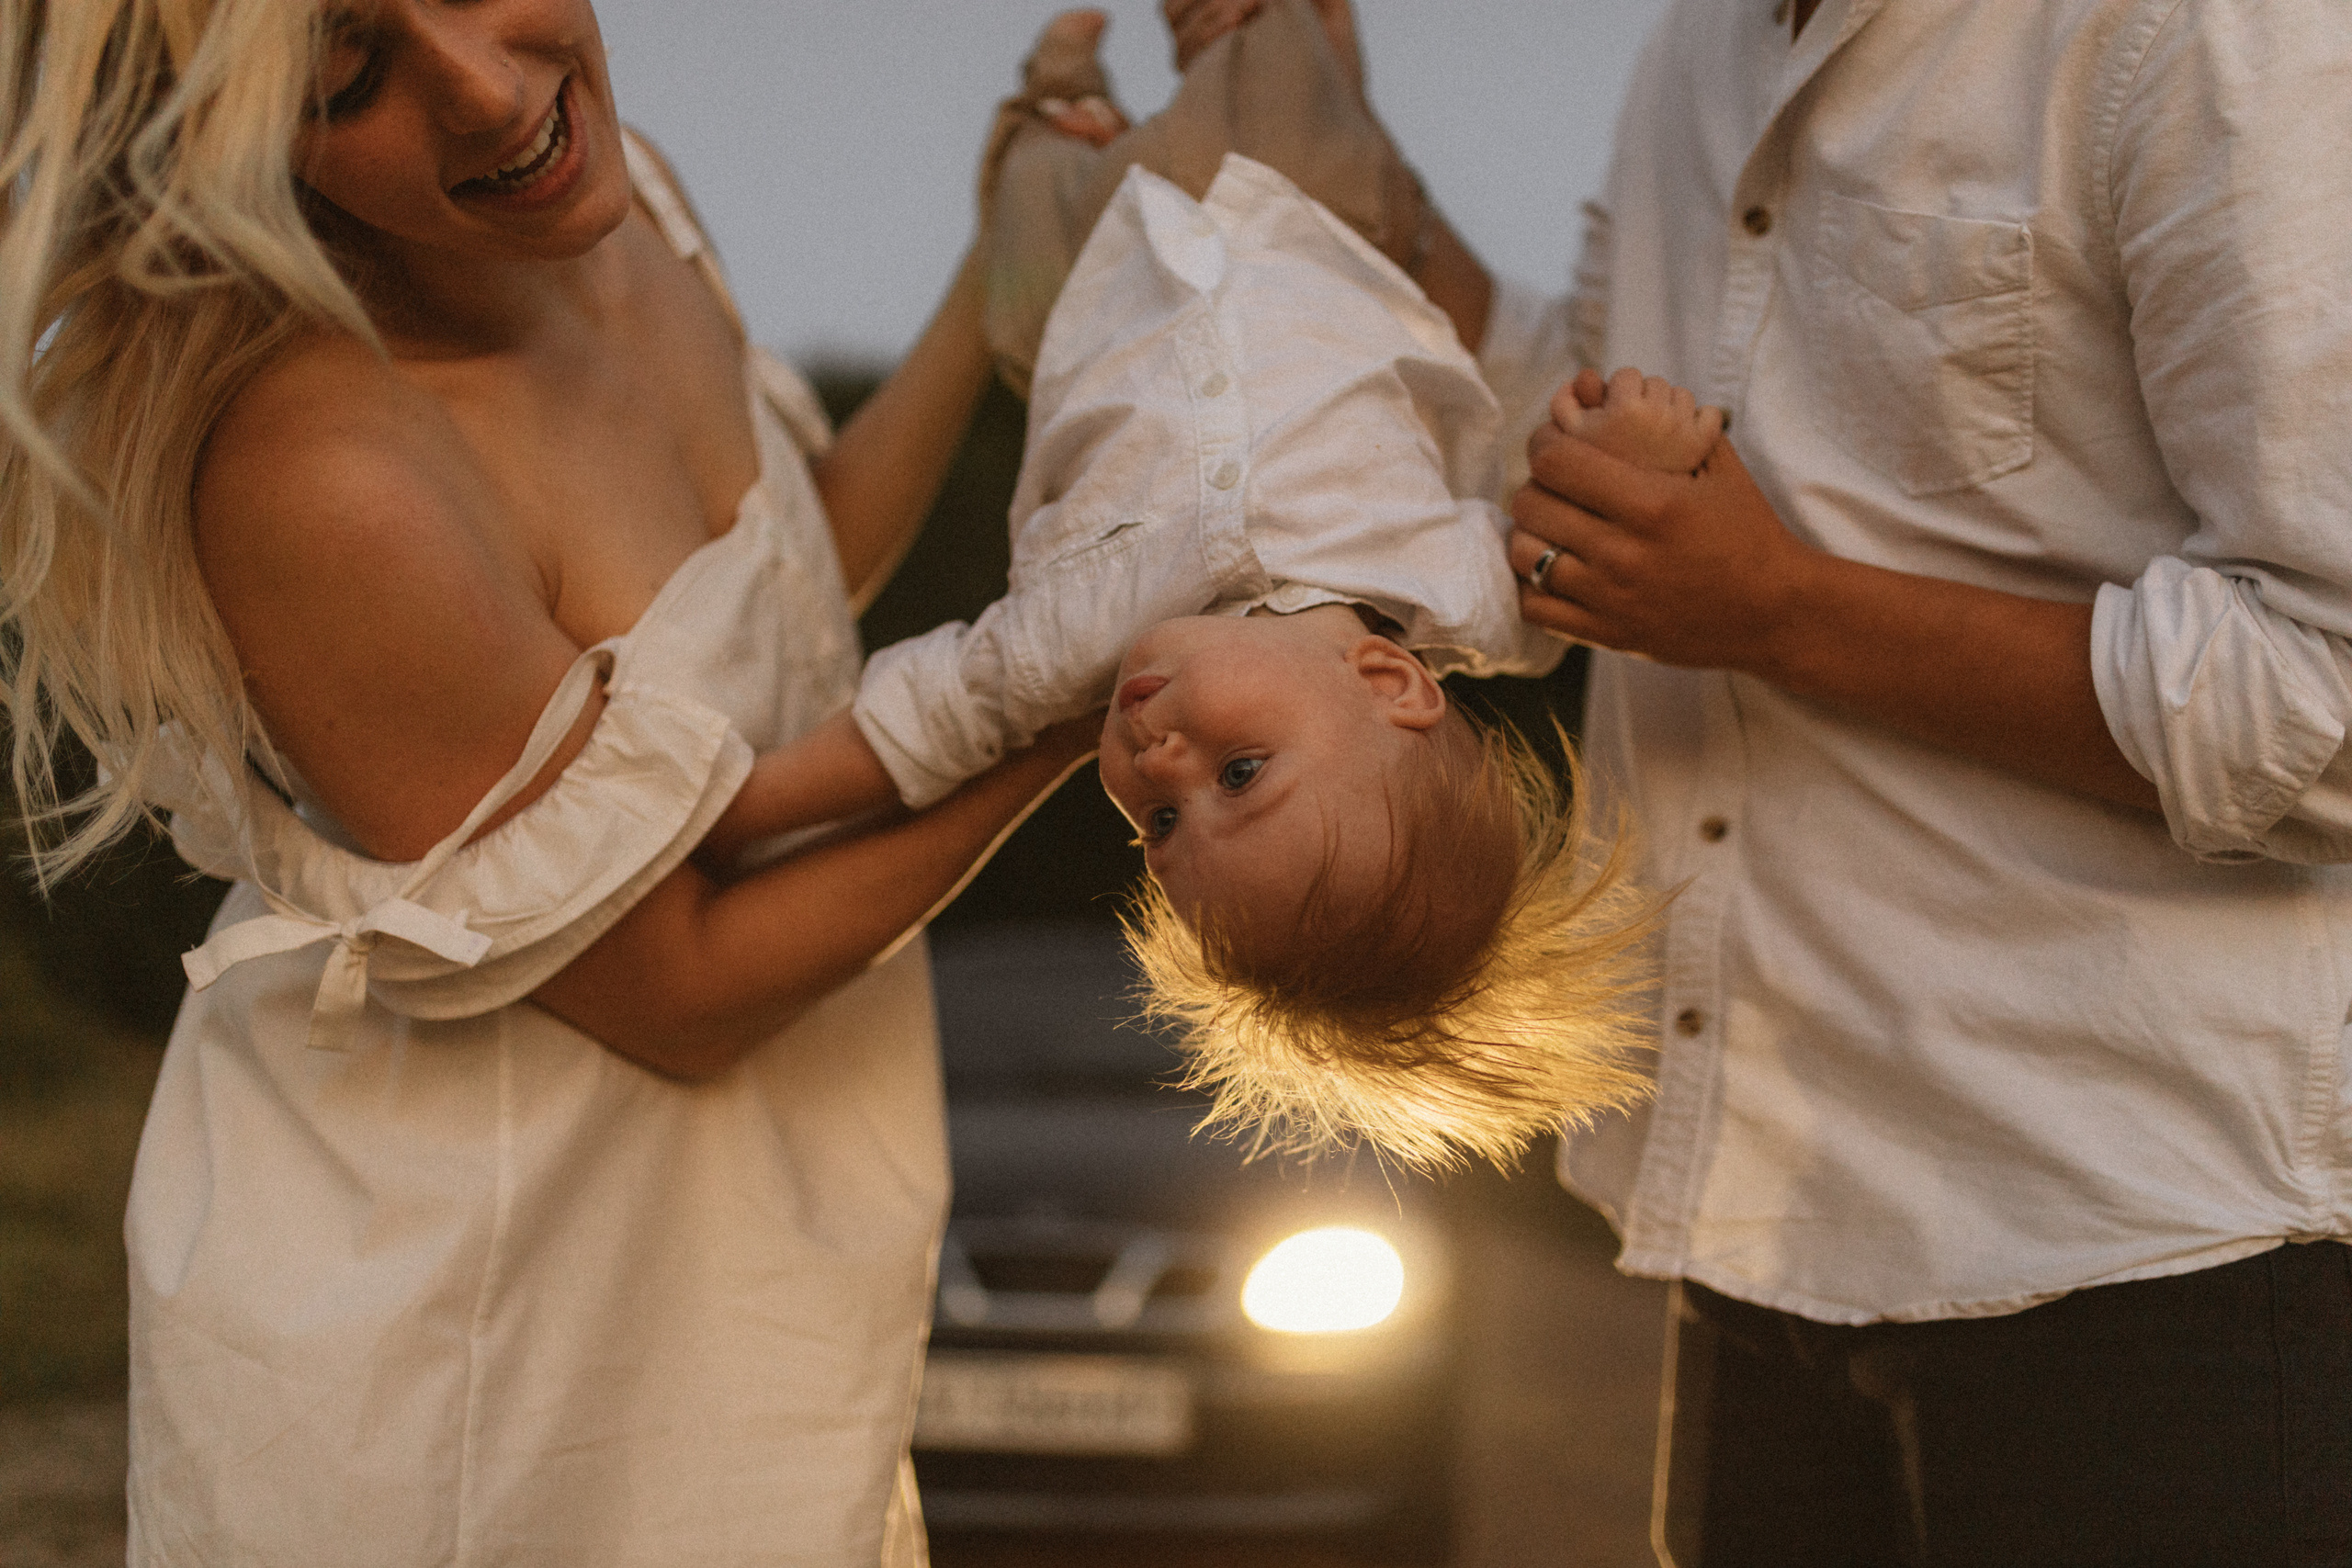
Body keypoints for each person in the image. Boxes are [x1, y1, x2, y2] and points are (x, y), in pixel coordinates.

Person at [1168, 0, 2352, 1559]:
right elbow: (1579, 444)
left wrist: (1778, 609)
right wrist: (1350, 166)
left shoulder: (2215, 32)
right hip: (1761, 1228)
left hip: (2152, 1254)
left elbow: (2324, 694)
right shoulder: (1700, 47)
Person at [0, 2, 1100, 1562]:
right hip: (474, 1335)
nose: (486, 90)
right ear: (234, 151)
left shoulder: (621, 196)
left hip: (734, 1243)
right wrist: (1080, 700)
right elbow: (679, 987)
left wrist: (999, 267)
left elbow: (779, 590)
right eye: (350, 78)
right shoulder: (323, 467)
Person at [739, 142, 1713, 1171]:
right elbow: (1591, 542)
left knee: (1041, 179)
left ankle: (1066, 117)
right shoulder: (1463, 594)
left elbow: (904, 735)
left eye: (1159, 824)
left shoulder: (1066, 647)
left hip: (1100, 260)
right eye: (1241, 775)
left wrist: (734, 810)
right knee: (1279, 84)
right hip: (1309, 220)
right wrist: (1645, 455)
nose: (1159, 766)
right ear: (1389, 684)